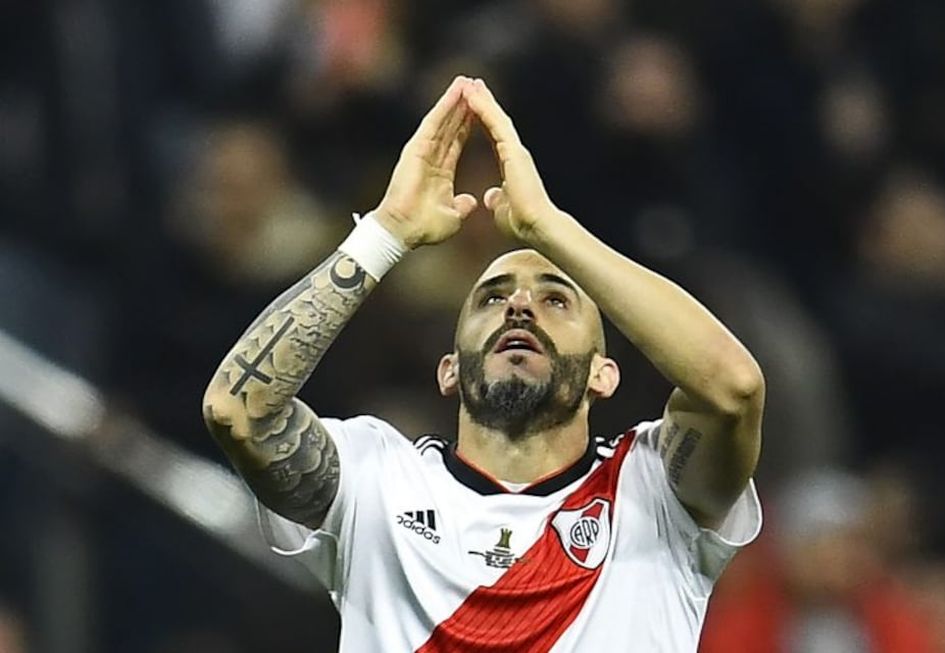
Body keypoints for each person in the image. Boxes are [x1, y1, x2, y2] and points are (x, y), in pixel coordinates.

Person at [202, 76, 764, 652]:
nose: (519, 305)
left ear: (604, 372)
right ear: (449, 369)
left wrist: (550, 227)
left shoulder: (652, 490)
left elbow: (733, 389)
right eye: (492, 298)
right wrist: (386, 230)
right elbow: (237, 412)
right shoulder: (377, 479)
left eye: (555, 299)